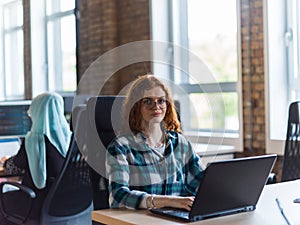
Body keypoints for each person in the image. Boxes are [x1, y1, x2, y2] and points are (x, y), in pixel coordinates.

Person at [106, 74, 205, 210]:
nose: (156, 107)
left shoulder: (180, 144)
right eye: (147, 101)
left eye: (161, 101)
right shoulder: (121, 147)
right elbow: (118, 197)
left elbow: (202, 184)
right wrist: (169, 201)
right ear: (135, 107)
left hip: (176, 220)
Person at [0, 92, 72, 223]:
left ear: (37, 112)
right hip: (65, 203)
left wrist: (5, 162)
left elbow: (14, 167)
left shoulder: (34, 140)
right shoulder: (70, 138)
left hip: (37, 203)